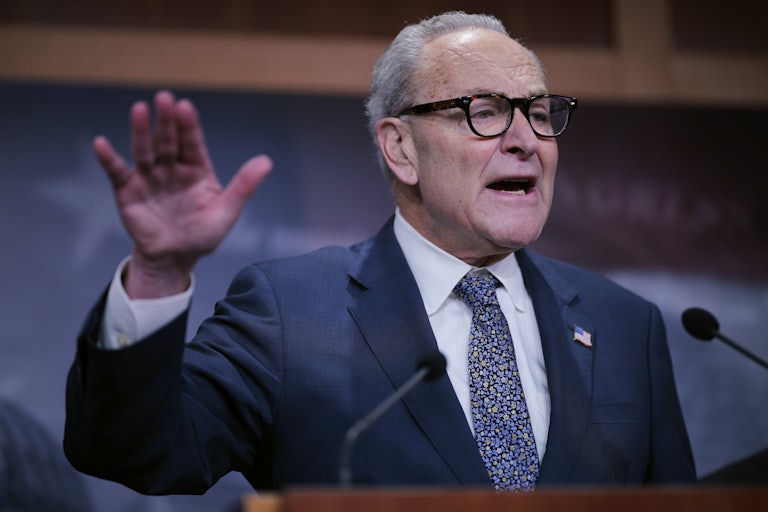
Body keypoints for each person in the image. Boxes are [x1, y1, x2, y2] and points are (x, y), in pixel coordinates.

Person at [63, 11, 696, 494]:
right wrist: (158, 272)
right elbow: (134, 451)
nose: (526, 140)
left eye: (539, 112)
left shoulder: (624, 324)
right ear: (401, 149)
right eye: (485, 112)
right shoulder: (289, 311)